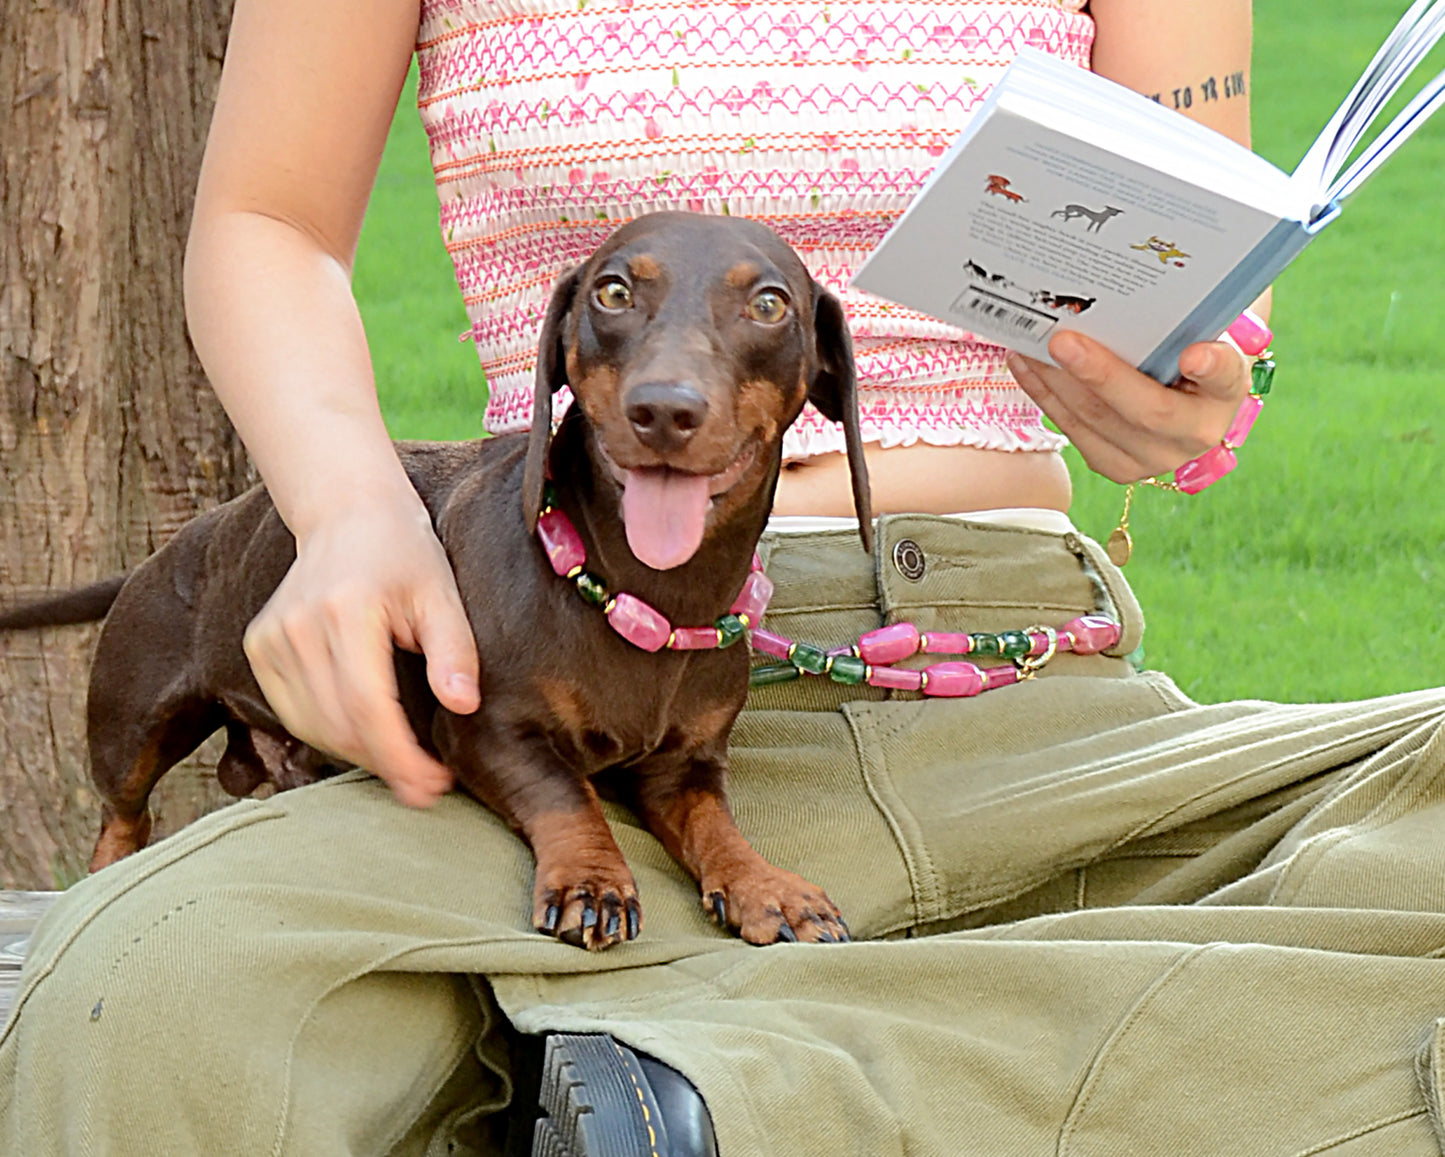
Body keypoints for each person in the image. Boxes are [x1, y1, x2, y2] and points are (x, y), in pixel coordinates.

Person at [4, 1, 1445, 1154]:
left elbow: (1184, 293)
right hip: (546, 670)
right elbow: (267, 219)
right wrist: (344, 511)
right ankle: (851, 1064)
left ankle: (746, 1086)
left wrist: (1167, 390)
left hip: (1006, 676)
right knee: (151, 992)